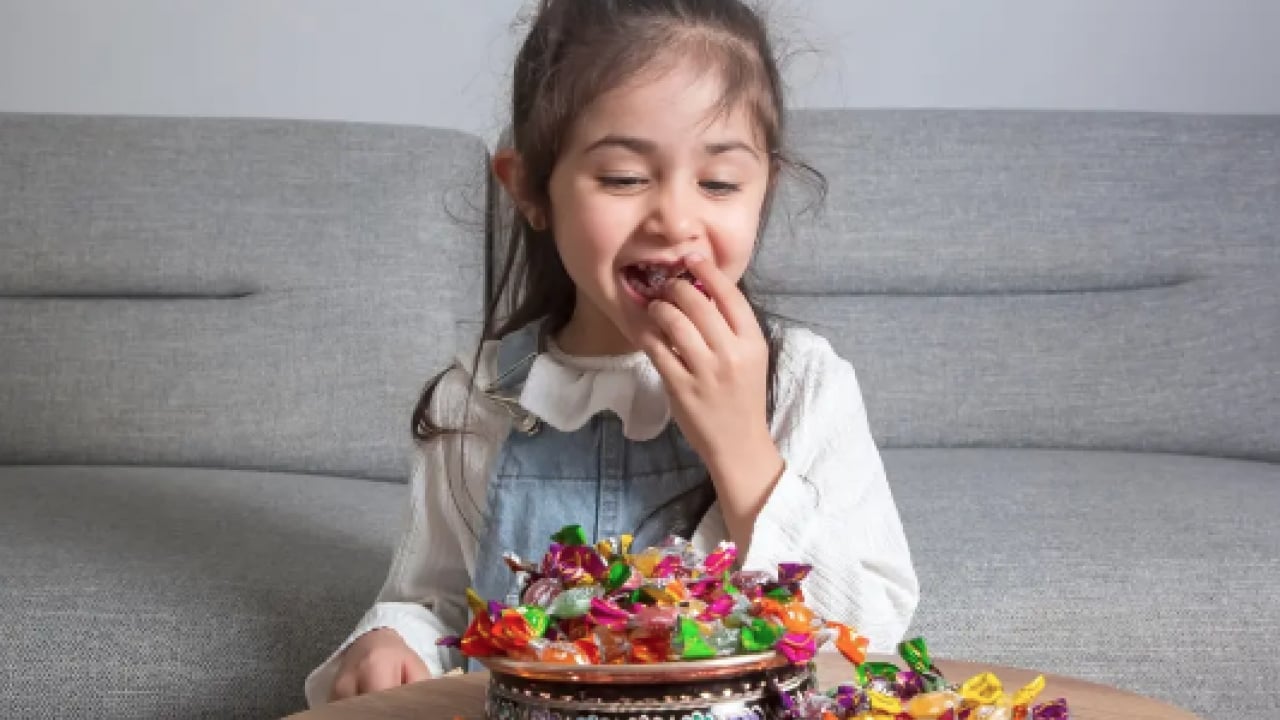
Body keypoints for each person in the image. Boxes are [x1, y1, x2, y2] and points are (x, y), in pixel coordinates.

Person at [305, 0, 918, 706]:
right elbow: (438, 604)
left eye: (719, 182)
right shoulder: (477, 399)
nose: (676, 219)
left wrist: (744, 450)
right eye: (625, 178)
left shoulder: (804, 382)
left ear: (763, 190)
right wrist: (394, 641)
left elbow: (870, 634)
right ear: (533, 189)